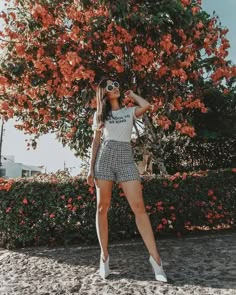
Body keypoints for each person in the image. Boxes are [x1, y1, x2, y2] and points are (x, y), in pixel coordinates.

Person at [87, 77, 168, 282]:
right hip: (104, 158)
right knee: (102, 207)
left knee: (139, 207)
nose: (115, 88)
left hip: (126, 159)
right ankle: (104, 256)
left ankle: (156, 260)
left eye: (116, 85)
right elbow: (96, 142)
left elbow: (146, 106)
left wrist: (132, 95)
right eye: (110, 87)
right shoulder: (100, 115)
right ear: (104, 92)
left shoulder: (128, 111)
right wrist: (90, 169)